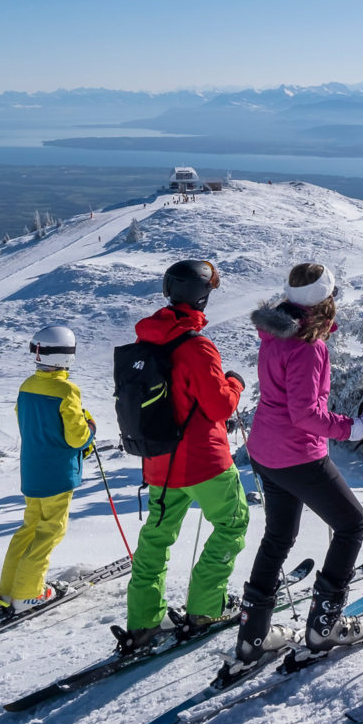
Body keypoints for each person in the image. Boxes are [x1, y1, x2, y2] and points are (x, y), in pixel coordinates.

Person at [229, 262, 363, 673]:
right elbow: (306, 415)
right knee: (352, 524)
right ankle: (324, 629)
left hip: (265, 450)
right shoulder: (308, 347)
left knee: (278, 536)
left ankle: (252, 640)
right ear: (326, 300)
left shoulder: (275, 333)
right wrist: (357, 427)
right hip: (297, 454)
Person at [116, 259, 250, 652]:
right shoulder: (196, 346)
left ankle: (142, 623)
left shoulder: (147, 340)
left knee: (155, 542)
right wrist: (235, 383)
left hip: (159, 462)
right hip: (204, 463)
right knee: (232, 524)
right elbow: (219, 406)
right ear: (202, 297)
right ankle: (205, 608)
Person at [0, 324, 97, 614]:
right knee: (50, 531)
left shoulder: (27, 386)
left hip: (32, 472)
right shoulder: (66, 390)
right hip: (57, 474)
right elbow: (76, 437)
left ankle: (9, 590)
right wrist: (89, 428)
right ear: (67, 356)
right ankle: (28, 594)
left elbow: (27, 419)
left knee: (29, 529)